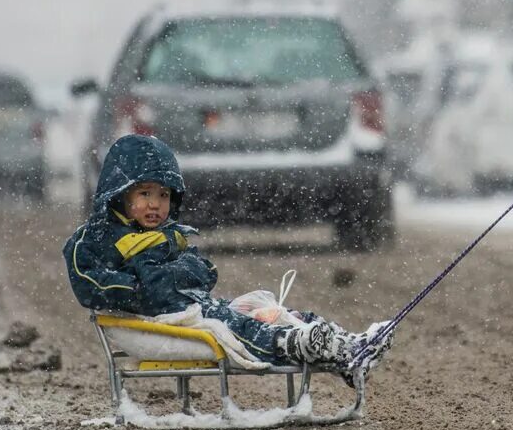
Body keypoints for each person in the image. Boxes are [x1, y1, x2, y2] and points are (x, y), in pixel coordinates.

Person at [63, 134, 388, 374]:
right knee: (232, 324)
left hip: (190, 306)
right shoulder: (95, 240)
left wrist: (173, 276)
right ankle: (292, 343)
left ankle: (341, 344)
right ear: (119, 195)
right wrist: (140, 287)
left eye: (163, 195)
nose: (155, 204)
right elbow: (92, 285)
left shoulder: (167, 236)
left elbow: (203, 271)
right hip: (152, 321)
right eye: (145, 193)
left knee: (256, 309)